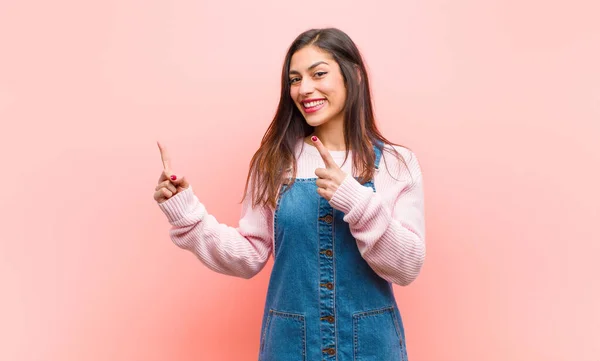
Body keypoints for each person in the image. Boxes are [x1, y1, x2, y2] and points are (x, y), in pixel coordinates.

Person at [154, 27, 425, 361]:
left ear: (353, 75)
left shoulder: (396, 163)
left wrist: (356, 201)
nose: (304, 89)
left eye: (319, 74)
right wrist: (185, 213)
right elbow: (249, 255)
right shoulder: (274, 161)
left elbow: (407, 267)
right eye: (295, 79)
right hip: (290, 347)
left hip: (371, 346)